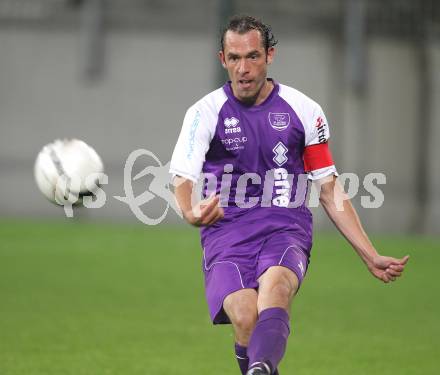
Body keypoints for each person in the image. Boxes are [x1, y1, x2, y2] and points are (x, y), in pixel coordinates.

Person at [169, 15, 409, 375]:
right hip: (227, 231)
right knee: (246, 317)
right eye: (234, 58)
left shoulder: (304, 111)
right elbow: (183, 175)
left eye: (252, 56)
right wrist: (189, 212)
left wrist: (369, 253)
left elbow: (328, 188)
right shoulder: (204, 113)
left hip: (285, 225)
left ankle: (261, 368)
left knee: (277, 288)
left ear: (270, 56)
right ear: (222, 59)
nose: (243, 68)